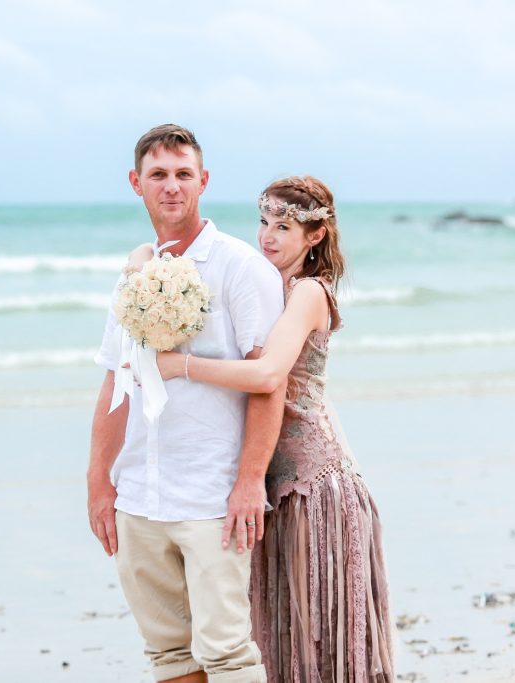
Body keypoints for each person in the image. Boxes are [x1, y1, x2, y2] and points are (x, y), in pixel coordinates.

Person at [128, 177, 395, 682]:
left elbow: (268, 375)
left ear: (314, 237)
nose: (268, 236)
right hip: (267, 479)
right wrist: (144, 256)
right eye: (264, 223)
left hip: (314, 486)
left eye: (284, 227)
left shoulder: (310, 293)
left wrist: (180, 365)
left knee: (319, 631)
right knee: (275, 629)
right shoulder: (266, 283)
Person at [88, 123, 285, 683]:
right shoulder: (132, 276)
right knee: (168, 654)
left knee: (225, 653)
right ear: (136, 183)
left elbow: (270, 383)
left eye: (181, 175)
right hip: (139, 495)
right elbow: (114, 382)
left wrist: (250, 481)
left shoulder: (241, 267)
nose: (170, 187)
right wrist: (99, 481)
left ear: (202, 181)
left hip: (211, 495)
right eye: (158, 175)